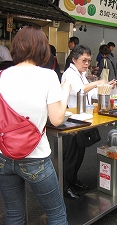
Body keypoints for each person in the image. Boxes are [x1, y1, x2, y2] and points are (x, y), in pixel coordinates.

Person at [0, 26, 70, 224]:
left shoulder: (2, 75)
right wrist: (64, 91)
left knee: (14, 213)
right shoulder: (48, 76)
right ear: (42, 49)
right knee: (56, 213)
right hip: (36, 157)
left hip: (3, 156)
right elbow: (56, 119)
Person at [61, 44, 116, 199]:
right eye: (84, 60)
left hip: (81, 118)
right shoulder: (69, 74)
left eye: (88, 61)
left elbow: (89, 92)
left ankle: (73, 181)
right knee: (71, 156)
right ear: (74, 59)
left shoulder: (80, 74)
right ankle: (65, 186)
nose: (86, 64)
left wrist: (106, 87)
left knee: (79, 154)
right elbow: (78, 90)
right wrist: (98, 82)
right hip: (71, 120)